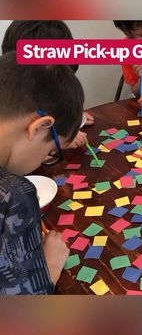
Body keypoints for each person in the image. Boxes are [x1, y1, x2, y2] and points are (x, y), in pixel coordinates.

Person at [0, 51, 84, 294]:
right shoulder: (14, 195)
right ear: (39, 127)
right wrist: (50, 267)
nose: (45, 159)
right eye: (51, 151)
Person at [2, 20, 94, 148]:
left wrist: (66, 120)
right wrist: (56, 142)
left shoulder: (32, 86)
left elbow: (46, 106)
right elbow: (15, 154)